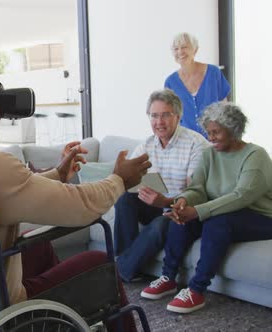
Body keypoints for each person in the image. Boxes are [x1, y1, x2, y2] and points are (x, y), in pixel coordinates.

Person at [0, 61, 152, 331]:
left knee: (38, 248)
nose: (1, 113)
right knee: (98, 263)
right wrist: (120, 180)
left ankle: (60, 323)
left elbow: (8, 189)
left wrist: (57, 174)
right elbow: (82, 206)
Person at [141, 102, 272, 314]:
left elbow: (240, 196)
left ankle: (196, 289)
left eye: (216, 132)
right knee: (181, 215)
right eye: (208, 132)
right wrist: (184, 201)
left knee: (218, 221)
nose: (210, 138)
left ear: (233, 129)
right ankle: (168, 277)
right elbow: (198, 188)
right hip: (227, 211)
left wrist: (199, 210)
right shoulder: (209, 155)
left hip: (262, 218)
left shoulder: (256, 156)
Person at [114, 89, 209, 282]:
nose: (159, 122)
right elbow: (128, 180)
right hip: (156, 203)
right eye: (154, 116)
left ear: (178, 116)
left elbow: (196, 192)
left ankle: (120, 271)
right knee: (124, 200)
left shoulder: (196, 144)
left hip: (181, 209)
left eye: (165, 115)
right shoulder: (146, 145)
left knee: (159, 225)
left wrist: (165, 201)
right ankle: (126, 263)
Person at [164, 32, 230, 137]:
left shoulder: (213, 73)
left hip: (215, 139)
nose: (180, 52)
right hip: (187, 142)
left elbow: (225, 107)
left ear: (195, 49)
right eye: (176, 49)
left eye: (184, 47)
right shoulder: (170, 82)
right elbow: (170, 116)